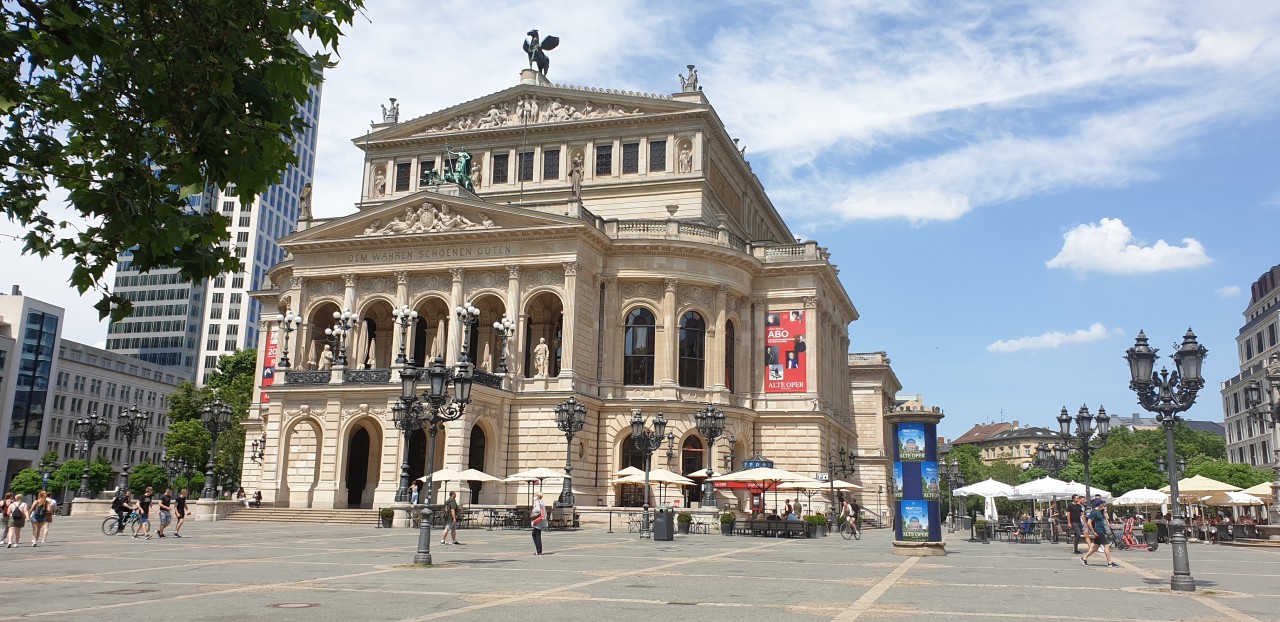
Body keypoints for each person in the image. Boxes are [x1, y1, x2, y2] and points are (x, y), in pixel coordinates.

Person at [1082, 499, 1117, 568]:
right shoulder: (1094, 512)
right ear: (1100, 504)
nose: (1104, 505)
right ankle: (1110, 562)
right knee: (1106, 545)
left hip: (1101, 530)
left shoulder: (1100, 511)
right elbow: (1089, 522)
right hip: (1098, 531)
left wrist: (1104, 511)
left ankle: (1084, 558)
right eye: (1103, 504)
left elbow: (1106, 517)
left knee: (1095, 547)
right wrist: (1093, 531)